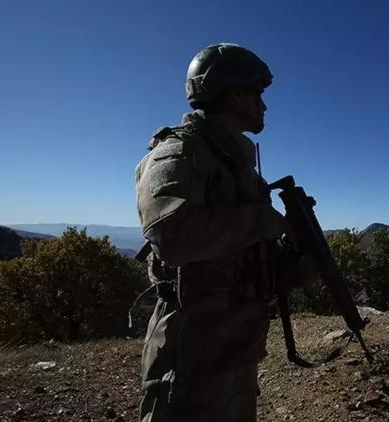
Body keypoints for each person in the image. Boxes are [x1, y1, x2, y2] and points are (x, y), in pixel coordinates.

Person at [134, 43, 289, 422]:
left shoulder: (236, 165)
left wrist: (297, 261)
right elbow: (172, 236)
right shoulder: (177, 154)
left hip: (234, 349)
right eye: (257, 95)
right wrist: (263, 221)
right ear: (235, 94)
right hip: (189, 355)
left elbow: (243, 257)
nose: (264, 106)